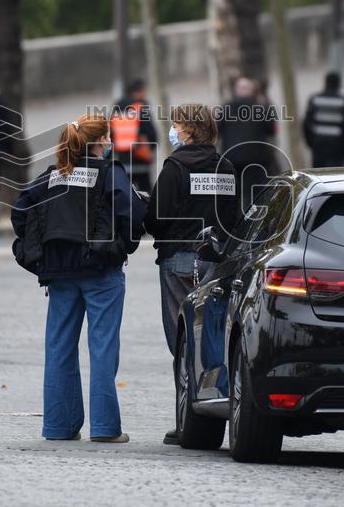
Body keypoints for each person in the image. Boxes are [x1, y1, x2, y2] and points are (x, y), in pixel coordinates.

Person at [11, 114, 146, 443]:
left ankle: (58, 426)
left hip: (59, 272)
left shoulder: (54, 174)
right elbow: (131, 215)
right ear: (100, 141)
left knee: (58, 348)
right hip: (101, 271)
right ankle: (104, 428)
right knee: (102, 349)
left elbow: (20, 211)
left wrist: (41, 245)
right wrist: (120, 247)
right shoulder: (110, 173)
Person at [145, 103, 239, 445]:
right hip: (215, 263)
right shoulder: (225, 167)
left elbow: (155, 218)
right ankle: (214, 404)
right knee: (212, 339)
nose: (172, 131)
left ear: (187, 130)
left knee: (182, 342)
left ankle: (188, 423)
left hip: (179, 261)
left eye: (175, 125)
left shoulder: (174, 167)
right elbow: (234, 219)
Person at [217, 76, 278, 214]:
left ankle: (234, 226)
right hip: (256, 158)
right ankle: (252, 224)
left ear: (236, 91)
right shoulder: (260, 107)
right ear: (252, 91)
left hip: (231, 158)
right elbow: (271, 130)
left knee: (232, 195)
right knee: (255, 194)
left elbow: (216, 130)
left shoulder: (226, 107)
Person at [110, 79, 158, 192]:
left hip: (122, 162)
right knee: (146, 196)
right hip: (141, 160)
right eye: (143, 91)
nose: (145, 94)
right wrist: (151, 151)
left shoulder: (116, 107)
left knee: (125, 195)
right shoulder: (140, 106)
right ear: (137, 92)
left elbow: (109, 133)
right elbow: (151, 133)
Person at [302, 72, 344, 167]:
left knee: (319, 175)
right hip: (338, 147)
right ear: (339, 84)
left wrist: (311, 143)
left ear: (325, 83)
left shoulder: (315, 99)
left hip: (319, 145)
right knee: (335, 177)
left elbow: (306, 124)